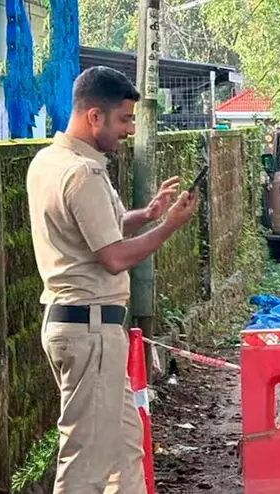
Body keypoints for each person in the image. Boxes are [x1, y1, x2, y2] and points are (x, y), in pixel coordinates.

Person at [27, 66, 199, 493]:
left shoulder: (51, 161)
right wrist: (169, 227)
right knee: (86, 461)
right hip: (91, 330)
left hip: (80, 325)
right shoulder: (81, 174)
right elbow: (113, 257)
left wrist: (147, 215)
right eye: (123, 119)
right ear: (94, 117)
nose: (128, 129)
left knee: (124, 451)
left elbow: (101, 228)